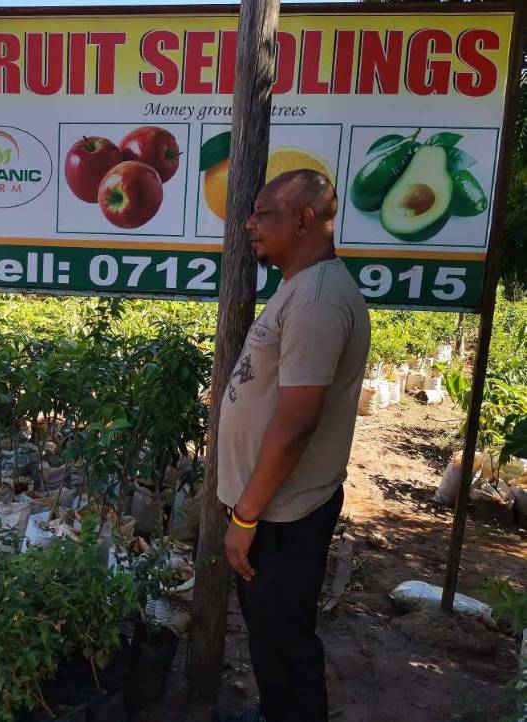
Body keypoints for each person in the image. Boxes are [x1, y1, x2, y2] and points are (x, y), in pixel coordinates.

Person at [217, 170, 370, 722]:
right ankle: (272, 713)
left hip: (281, 515)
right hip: (272, 510)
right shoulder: (301, 287)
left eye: (263, 214)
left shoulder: (317, 300)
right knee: (270, 636)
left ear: (304, 220)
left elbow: (297, 422)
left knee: (286, 642)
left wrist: (247, 517)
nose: (250, 225)